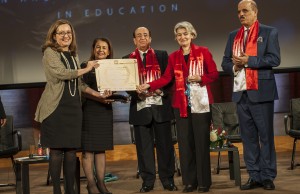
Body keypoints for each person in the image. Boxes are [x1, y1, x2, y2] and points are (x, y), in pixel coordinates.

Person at [138, 21, 219, 193]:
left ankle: (204, 182)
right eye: (179, 35)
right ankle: (190, 182)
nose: (182, 37)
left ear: (192, 35)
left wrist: (200, 78)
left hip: (201, 105)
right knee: (185, 145)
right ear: (176, 38)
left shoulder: (203, 52)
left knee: (201, 144)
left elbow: (213, 74)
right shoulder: (174, 56)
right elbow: (166, 78)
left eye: (185, 34)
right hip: (181, 105)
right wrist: (149, 85)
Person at [34, 19, 111, 194]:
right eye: (61, 33)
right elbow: (61, 74)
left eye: (68, 32)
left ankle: (71, 190)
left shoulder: (73, 54)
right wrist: (87, 68)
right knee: (56, 151)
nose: (65, 36)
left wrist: (98, 94)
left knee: (70, 152)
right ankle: (56, 190)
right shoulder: (49, 52)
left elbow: (79, 84)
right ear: (54, 36)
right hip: (55, 109)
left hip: (73, 109)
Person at [221, 0, 280, 191]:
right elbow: (224, 62)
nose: (241, 14)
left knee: (265, 137)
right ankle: (254, 175)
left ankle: (268, 176)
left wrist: (249, 61)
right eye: (238, 11)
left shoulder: (269, 32)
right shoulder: (233, 35)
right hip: (241, 93)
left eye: (245, 10)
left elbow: (274, 59)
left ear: (255, 12)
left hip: (261, 92)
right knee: (248, 139)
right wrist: (235, 66)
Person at [123, 27, 177, 193]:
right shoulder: (127, 59)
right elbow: (126, 82)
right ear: (134, 40)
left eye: (145, 35)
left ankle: (168, 179)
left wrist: (161, 90)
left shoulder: (162, 55)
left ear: (150, 38)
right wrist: (135, 93)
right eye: (138, 36)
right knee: (144, 149)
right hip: (140, 108)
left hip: (160, 106)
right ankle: (148, 181)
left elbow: (170, 78)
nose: (142, 38)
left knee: (165, 147)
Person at [80, 38, 115, 194]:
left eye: (104, 48)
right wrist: (100, 97)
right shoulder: (84, 66)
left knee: (101, 149)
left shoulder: (113, 68)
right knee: (88, 150)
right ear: (93, 49)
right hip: (89, 110)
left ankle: (101, 183)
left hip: (105, 111)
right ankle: (91, 184)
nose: (101, 50)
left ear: (108, 51)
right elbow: (83, 90)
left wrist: (111, 95)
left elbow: (114, 88)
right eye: (98, 47)